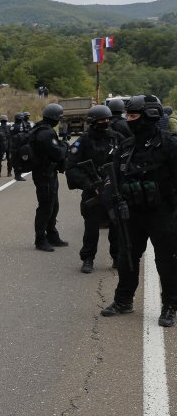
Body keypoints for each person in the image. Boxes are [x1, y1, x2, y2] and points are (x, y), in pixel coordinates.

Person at [101, 95, 177, 327]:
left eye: (133, 116)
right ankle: (123, 300)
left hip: (163, 212)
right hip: (132, 213)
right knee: (127, 257)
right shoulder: (126, 147)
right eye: (127, 116)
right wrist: (111, 202)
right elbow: (112, 178)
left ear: (149, 117)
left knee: (167, 261)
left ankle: (170, 305)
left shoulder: (170, 144)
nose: (128, 120)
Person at [65, 105, 120, 273]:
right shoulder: (84, 141)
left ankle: (117, 258)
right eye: (101, 120)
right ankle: (88, 258)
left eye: (107, 119)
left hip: (114, 190)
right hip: (93, 190)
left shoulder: (117, 138)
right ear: (92, 122)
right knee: (91, 228)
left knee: (117, 226)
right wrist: (88, 184)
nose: (105, 122)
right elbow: (71, 167)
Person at [31, 103, 69, 251]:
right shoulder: (46, 133)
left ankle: (52, 235)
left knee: (53, 205)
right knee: (46, 207)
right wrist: (64, 146)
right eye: (58, 118)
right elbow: (57, 153)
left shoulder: (41, 128)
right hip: (44, 174)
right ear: (54, 118)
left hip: (47, 172)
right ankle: (40, 239)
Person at [9, 112, 28, 181]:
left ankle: (17, 174)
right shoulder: (19, 126)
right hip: (18, 146)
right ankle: (18, 175)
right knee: (18, 161)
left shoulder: (13, 126)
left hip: (14, 146)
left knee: (15, 161)